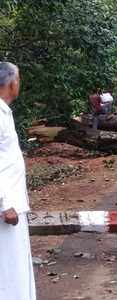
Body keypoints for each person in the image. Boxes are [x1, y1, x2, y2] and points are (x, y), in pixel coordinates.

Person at [0, 62, 36, 300]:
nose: (19, 84)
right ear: (12, 82)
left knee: (16, 264)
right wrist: (5, 202)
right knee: (8, 268)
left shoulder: (4, 111)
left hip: (12, 203)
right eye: (19, 79)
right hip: (6, 206)